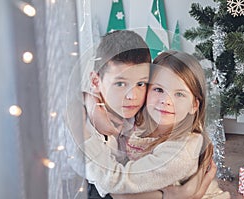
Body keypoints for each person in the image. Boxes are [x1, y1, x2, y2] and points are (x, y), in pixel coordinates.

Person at [67, 30, 216, 199]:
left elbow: (118, 188)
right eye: (120, 83)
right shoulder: (132, 115)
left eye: (141, 83)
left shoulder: (177, 147)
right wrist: (85, 102)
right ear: (95, 82)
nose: (132, 96)